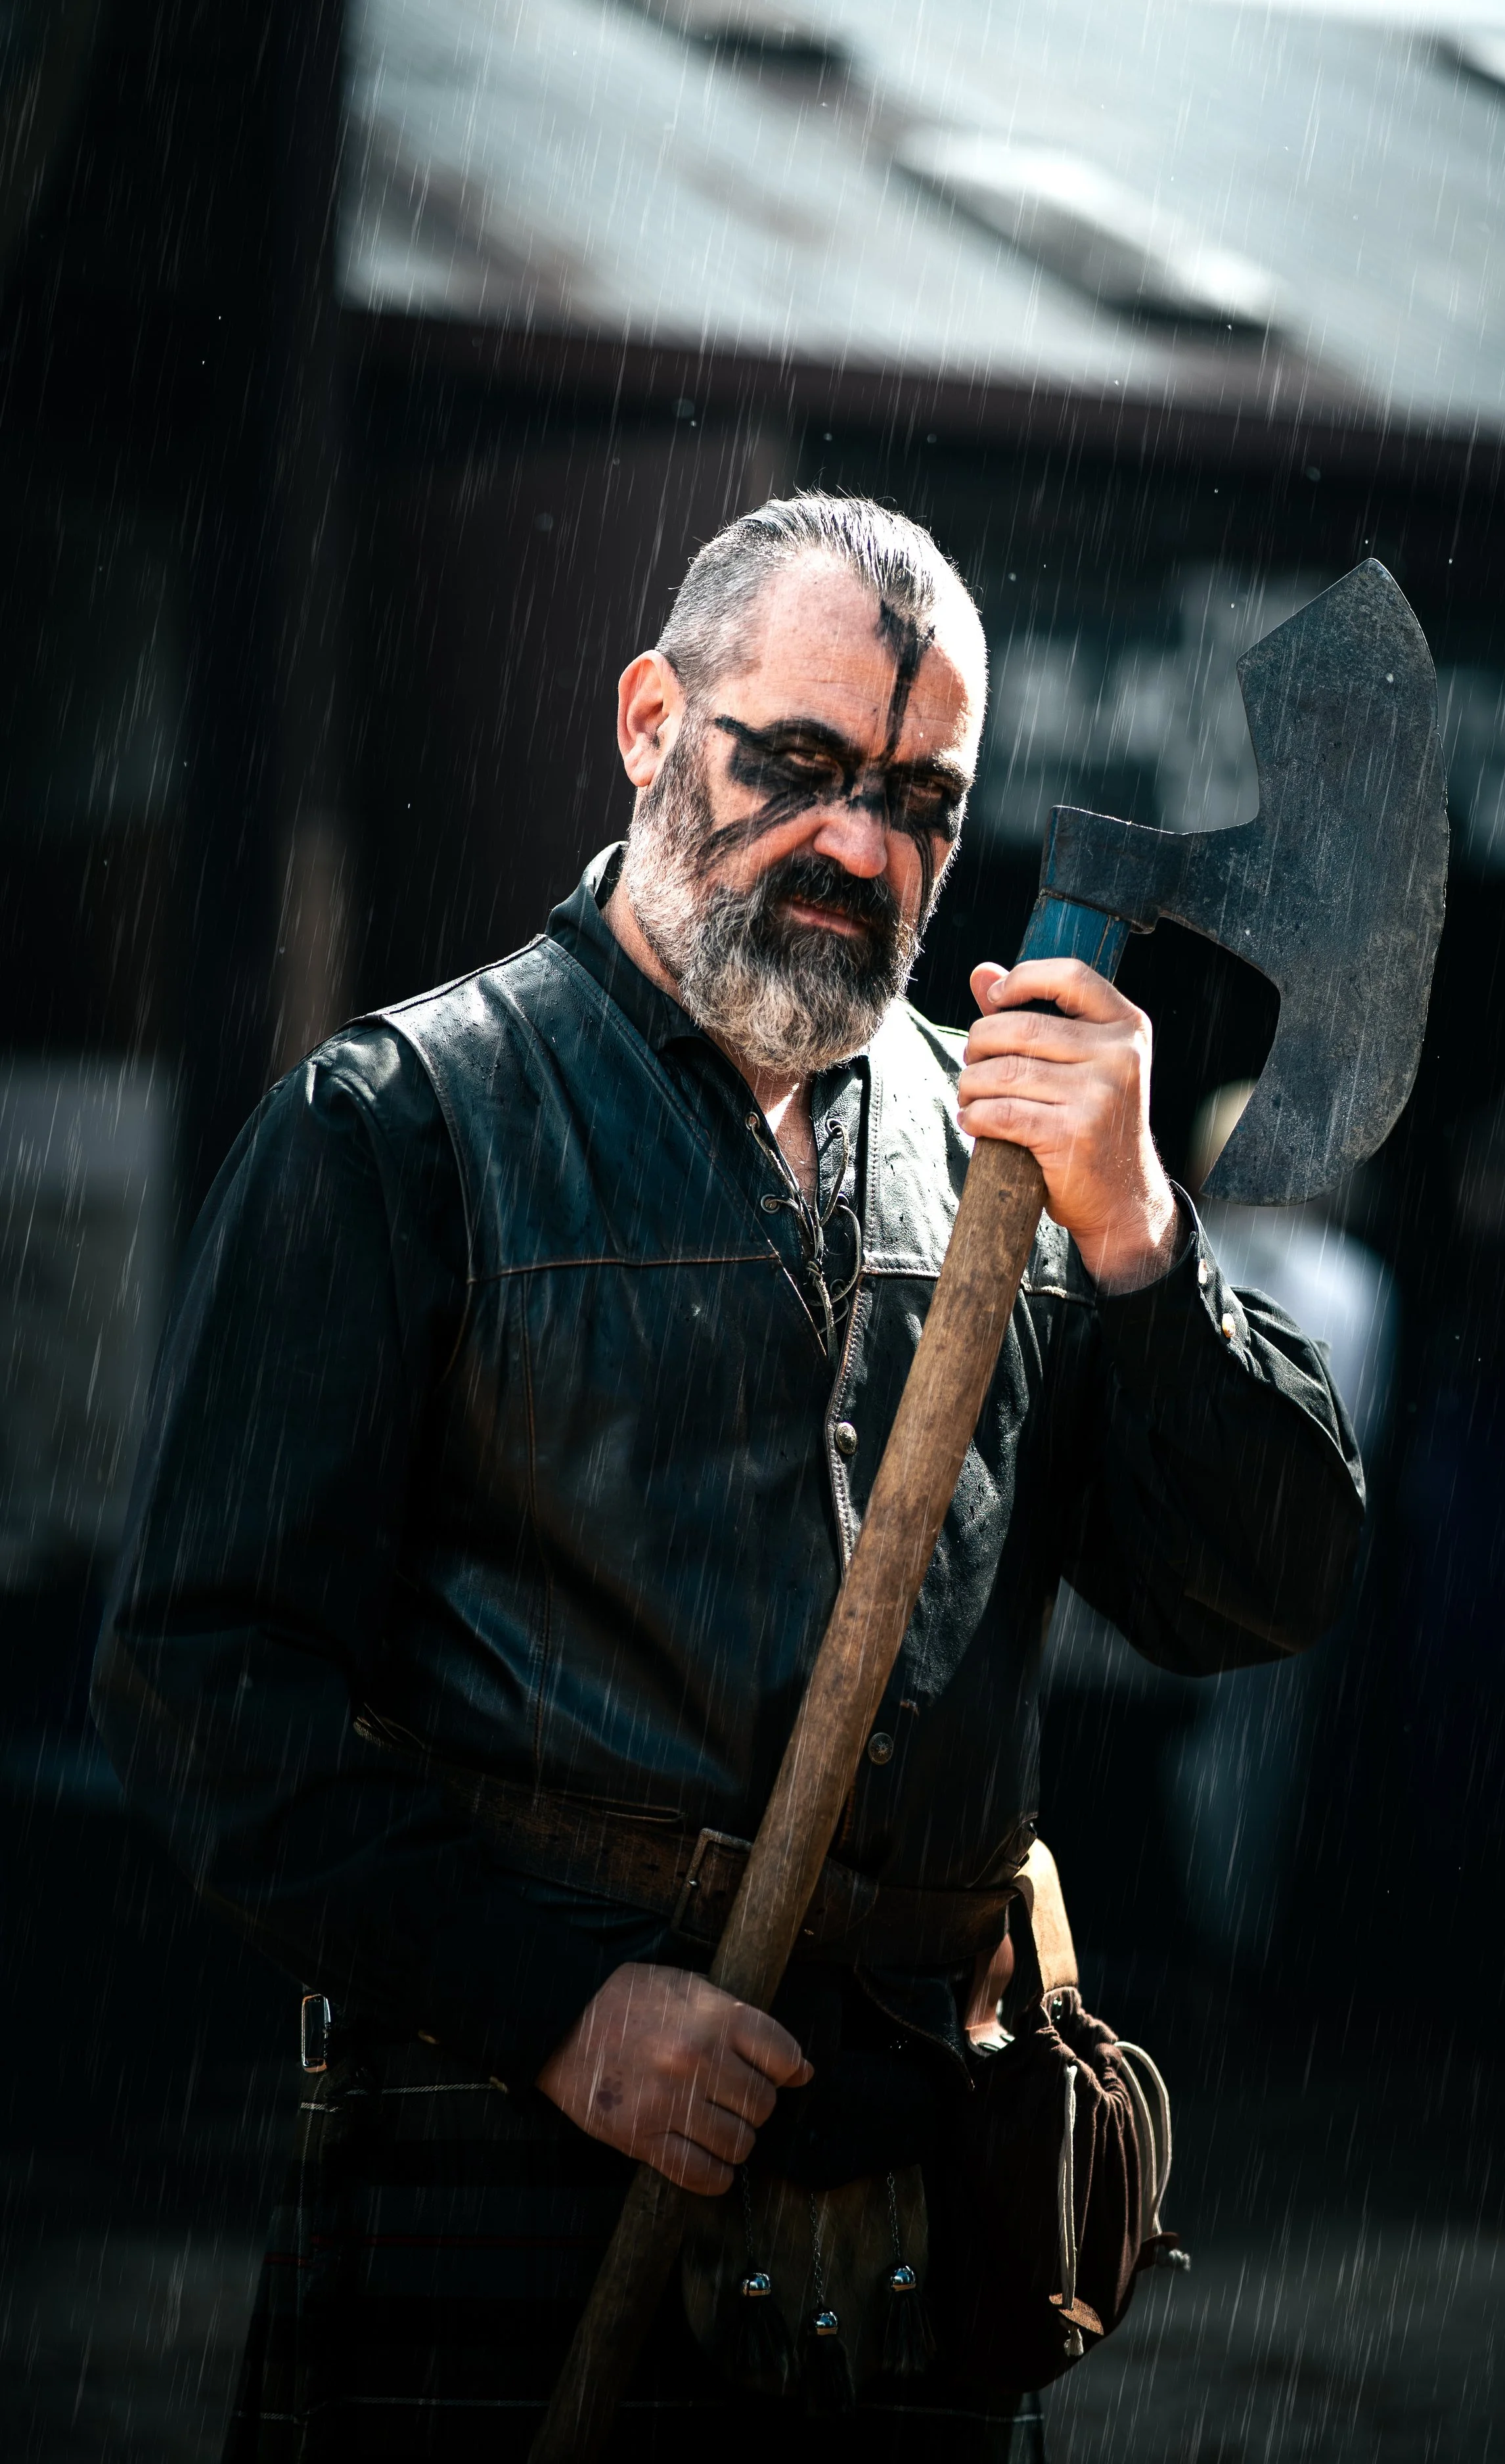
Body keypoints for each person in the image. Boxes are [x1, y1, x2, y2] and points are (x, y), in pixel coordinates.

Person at [92, 496, 1364, 2463]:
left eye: (922, 801)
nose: (860, 846)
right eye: (799, 766)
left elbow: (1256, 1592)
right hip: (505, 2179)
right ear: (644, 721)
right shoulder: (402, 1127)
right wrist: (560, 2005)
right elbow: (200, 1686)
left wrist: (1140, 1245)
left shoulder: (1011, 1166)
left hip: (915, 2210)